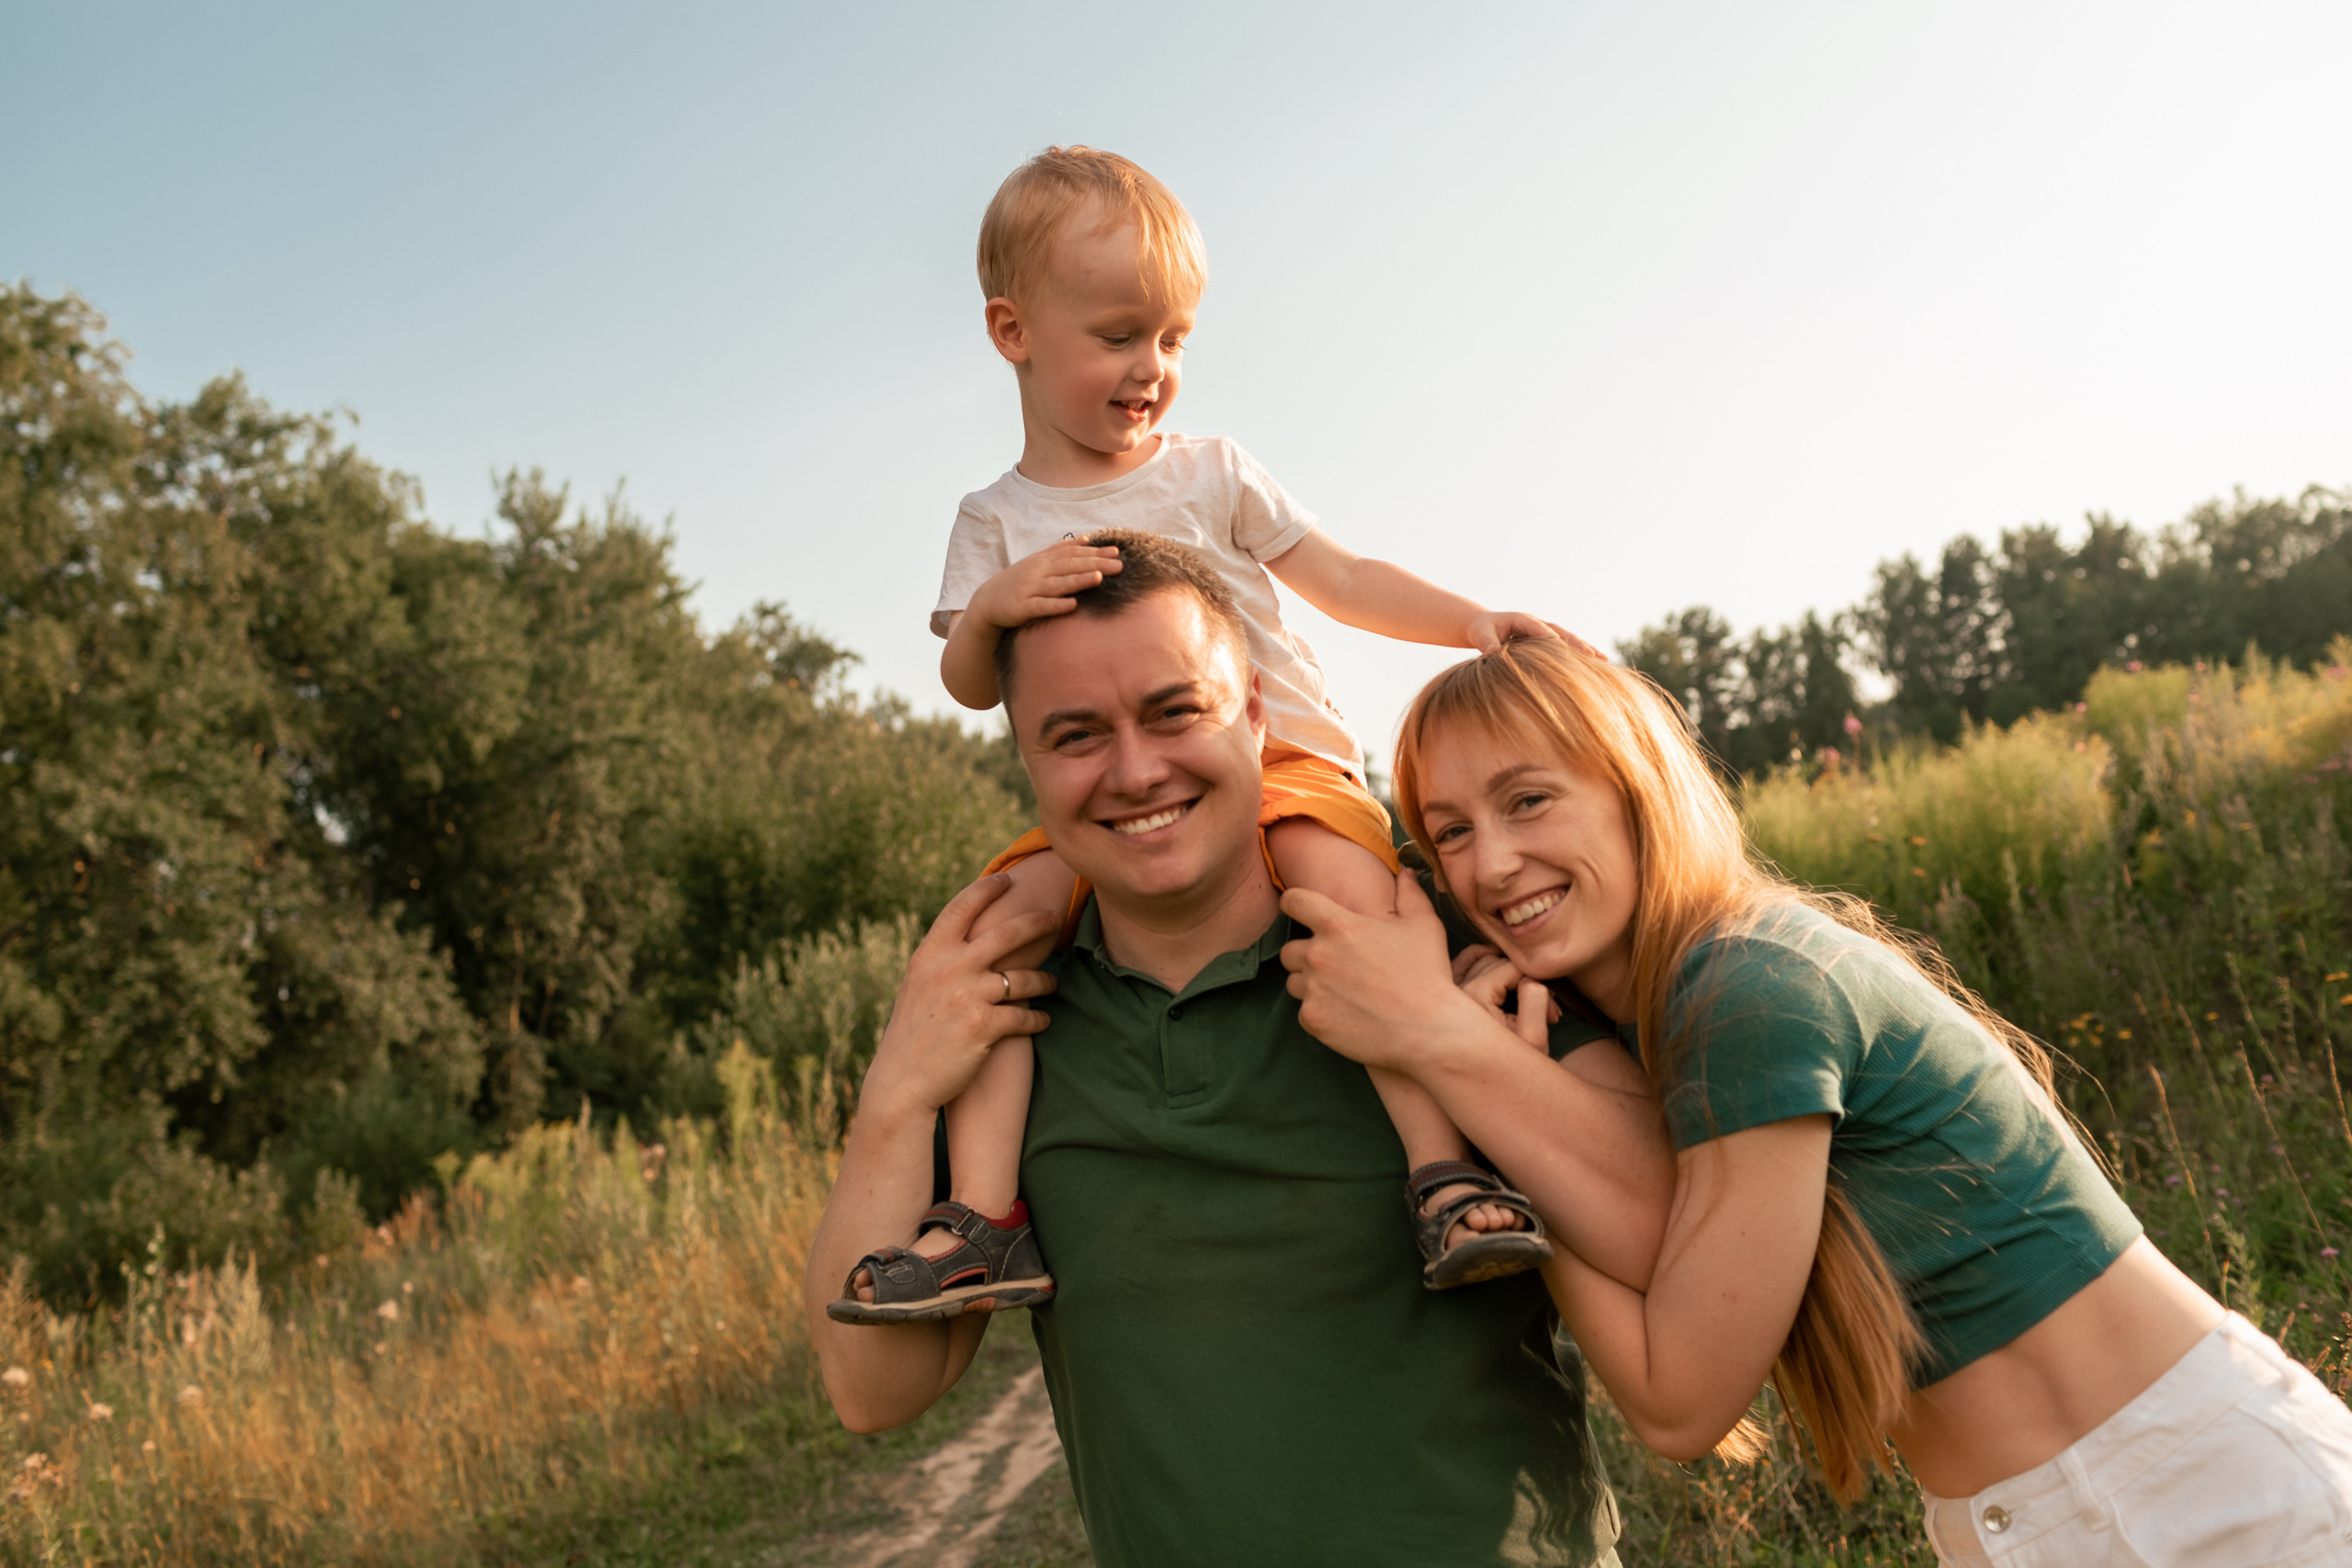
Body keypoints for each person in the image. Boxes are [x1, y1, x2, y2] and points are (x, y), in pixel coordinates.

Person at [1278, 636, 2352, 1568]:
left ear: (1635, 788)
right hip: (2011, 1518)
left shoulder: (1749, 983)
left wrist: (1451, 1055)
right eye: (1449, 830)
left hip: (2205, 1497)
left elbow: (1679, 1398)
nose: (1493, 863)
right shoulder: (1644, 1037)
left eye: (1527, 800)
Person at [831, 143, 1596, 1321]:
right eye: (1120, 336)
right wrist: (989, 608)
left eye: (1174, 340)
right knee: (995, 938)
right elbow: (973, 685)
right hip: (1114, 800)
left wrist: (1467, 623)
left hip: (1284, 761)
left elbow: (1340, 578)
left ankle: (1442, 1169)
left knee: (1349, 897)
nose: (1153, 369)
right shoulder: (995, 521)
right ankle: (987, 1218)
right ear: (1011, 331)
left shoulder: (1211, 473)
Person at [804, 539, 1668, 1566]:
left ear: (1257, 715)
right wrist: (899, 1085)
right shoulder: (1006, 1020)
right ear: (1027, 763)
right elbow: (872, 1391)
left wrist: (1437, 1034)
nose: (1134, 771)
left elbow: (1668, 1239)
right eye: (1075, 735)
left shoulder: (1424, 938)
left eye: (1176, 712)